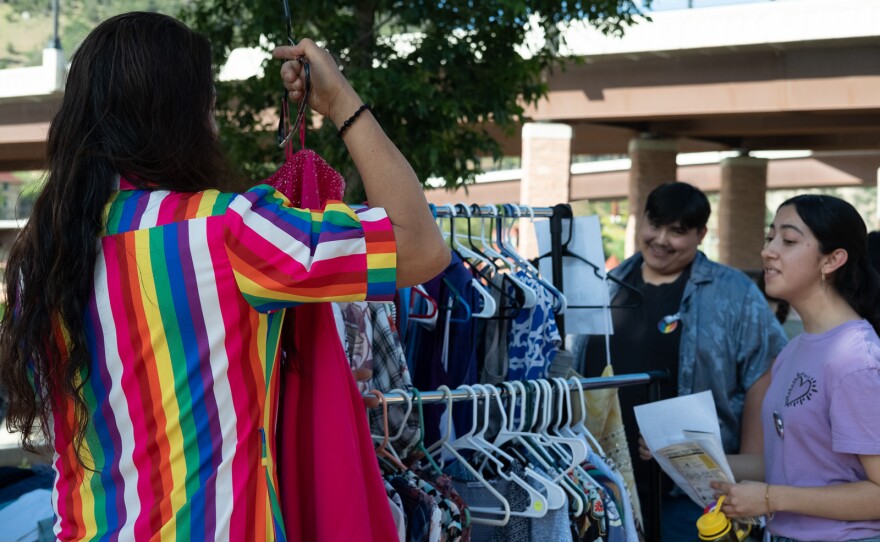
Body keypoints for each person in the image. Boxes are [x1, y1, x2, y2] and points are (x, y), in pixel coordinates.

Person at [0, 12, 450, 540]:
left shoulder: (42, 256)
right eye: (207, 108)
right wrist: (341, 103)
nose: (212, 125)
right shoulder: (226, 230)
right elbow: (421, 245)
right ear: (178, 119)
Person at [570, 181, 788, 540]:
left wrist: (748, 474)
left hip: (695, 494)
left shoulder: (733, 292)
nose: (661, 239)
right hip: (606, 485)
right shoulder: (605, 286)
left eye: (677, 231)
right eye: (654, 225)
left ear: (701, 234)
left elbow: (764, 370)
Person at [713, 194, 880, 542]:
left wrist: (770, 498)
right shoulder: (793, 351)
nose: (768, 251)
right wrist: (682, 455)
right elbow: (790, 464)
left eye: (787, 241)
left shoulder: (856, 360)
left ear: (832, 259)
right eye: (769, 237)